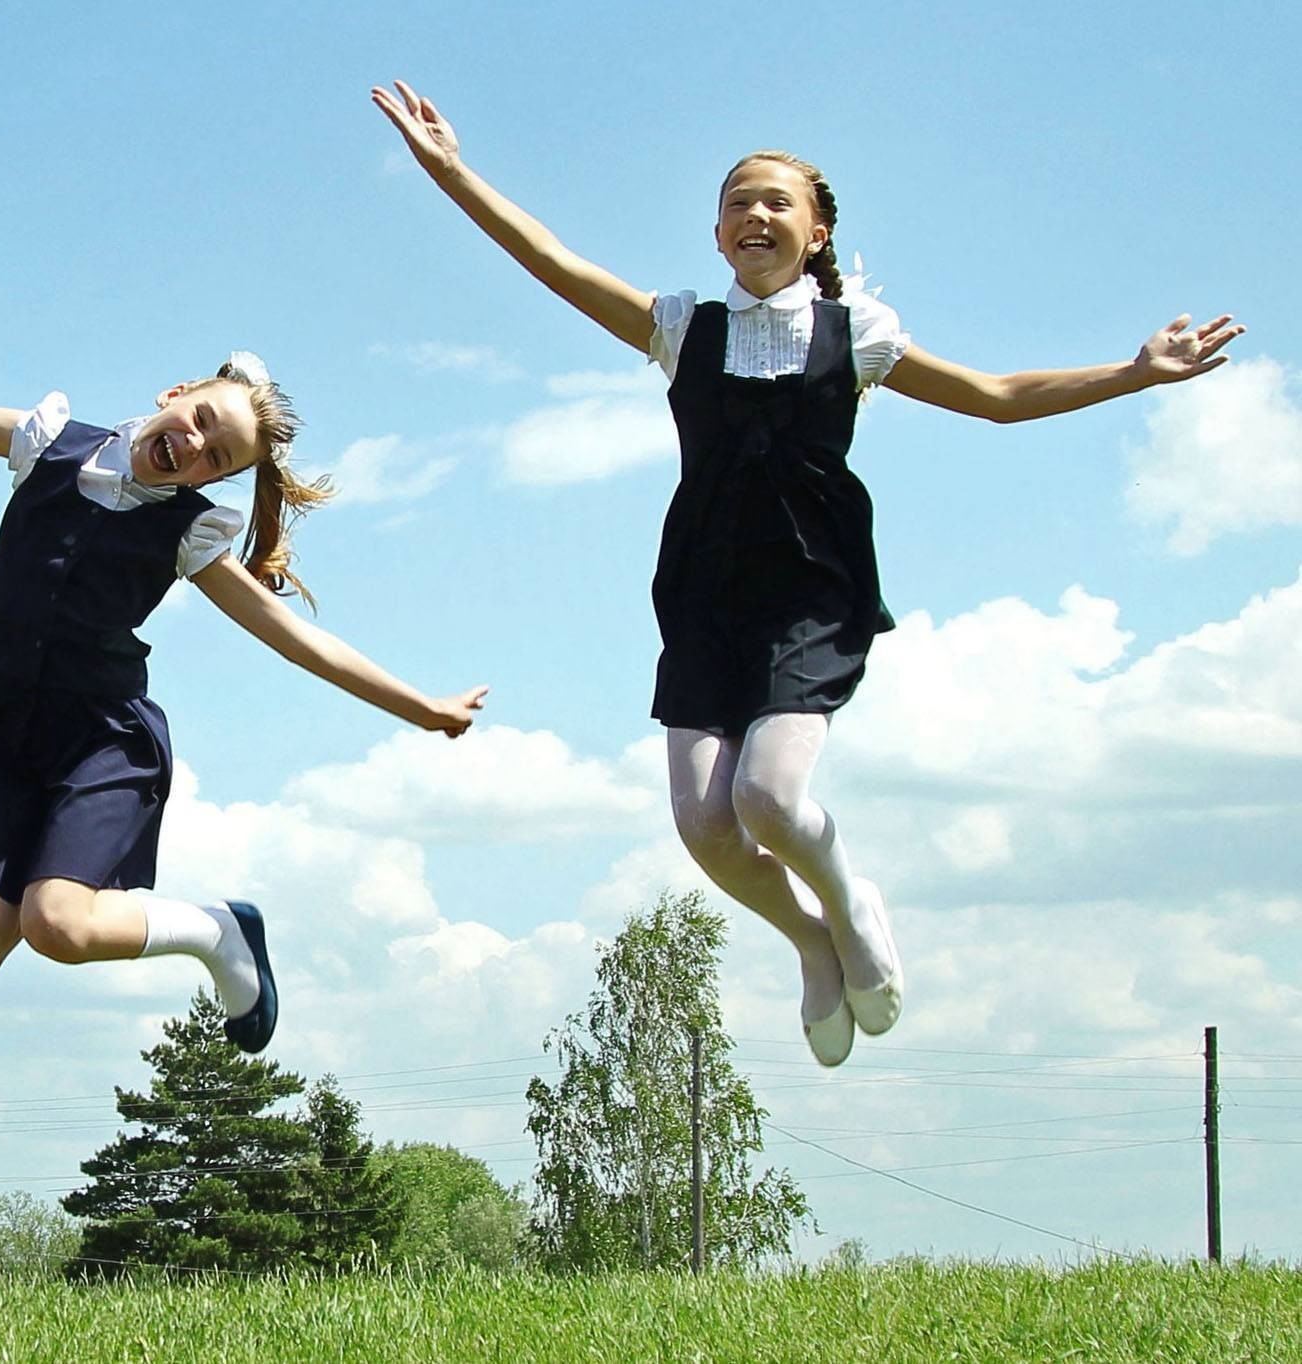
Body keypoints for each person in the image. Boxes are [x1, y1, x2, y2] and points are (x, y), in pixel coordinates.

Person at [374, 79, 1242, 1065]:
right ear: (716, 233)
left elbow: (997, 395)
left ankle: (850, 901)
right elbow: (553, 262)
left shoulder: (856, 334)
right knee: (706, 825)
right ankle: (810, 941)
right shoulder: (682, 327)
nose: (756, 213)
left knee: (770, 798)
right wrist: (454, 174)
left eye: (776, 200)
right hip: (703, 591)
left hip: (810, 588)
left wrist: (1133, 372)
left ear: (816, 230)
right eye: (737, 201)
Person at [0, 199, 487, 1053]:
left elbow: (293, 639)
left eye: (218, 457)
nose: (196, 446)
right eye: (201, 420)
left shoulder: (188, 533)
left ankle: (217, 930)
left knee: (58, 924)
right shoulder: (49, 444)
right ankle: (118, 898)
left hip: (101, 740)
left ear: (213, 480)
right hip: (1, 726)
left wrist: (419, 707)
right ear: (175, 394)